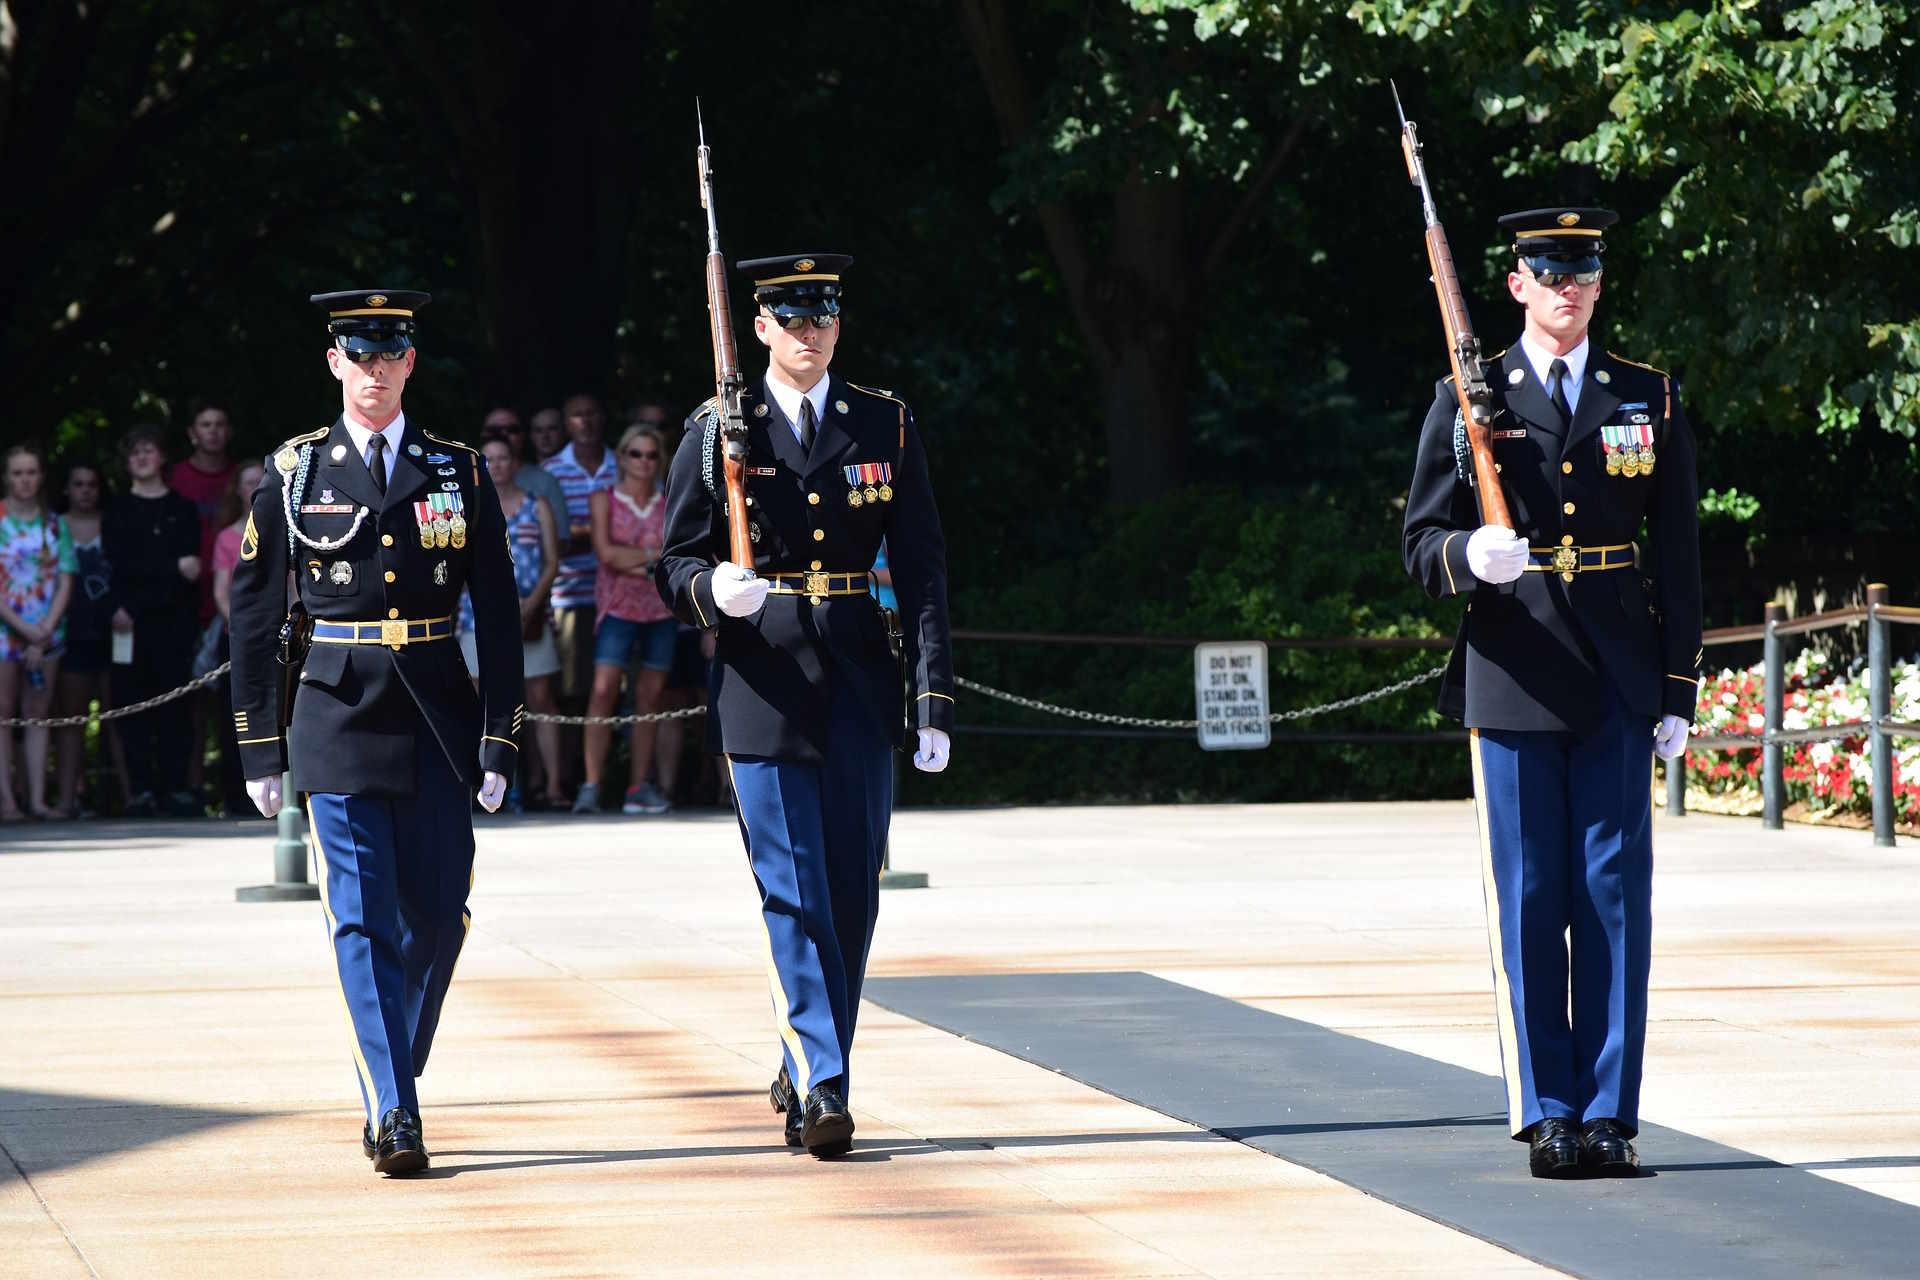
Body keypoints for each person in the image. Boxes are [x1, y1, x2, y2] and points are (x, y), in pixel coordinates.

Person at [1402, 207, 1702, 1180]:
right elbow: (1419, 540)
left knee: (1613, 896)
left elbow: (1679, 554)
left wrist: (1678, 687)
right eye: (1548, 271)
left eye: (1581, 272)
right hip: (1515, 667)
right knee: (1531, 896)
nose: (1566, 288)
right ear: (1517, 284)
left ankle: (1609, 1109)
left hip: (1618, 672)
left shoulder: (1646, 396)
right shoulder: (1470, 394)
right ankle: (1547, 1109)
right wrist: (1467, 555)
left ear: (1599, 284)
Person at [657, 253, 954, 1157]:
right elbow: (673, 561)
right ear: (758, 328)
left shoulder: (884, 423)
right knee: (792, 893)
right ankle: (826, 1082)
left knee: (852, 897)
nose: (809, 333)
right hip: (763, 679)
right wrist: (714, 590)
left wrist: (932, 696)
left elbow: (924, 569)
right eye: (791, 318)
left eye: (822, 315)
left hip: (860, 676)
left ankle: (804, 1056)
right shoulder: (717, 429)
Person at [228, 288, 523, 1176]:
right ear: (335, 363)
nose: (375, 371)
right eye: (360, 355)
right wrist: (259, 745)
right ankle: (393, 1107)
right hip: (337, 713)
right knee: (358, 918)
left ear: (410, 363)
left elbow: (499, 613)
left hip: (436, 712)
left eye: (390, 354)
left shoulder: (457, 472)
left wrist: (500, 736)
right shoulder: (294, 473)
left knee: (438, 912)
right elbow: (252, 617)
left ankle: (392, 1054)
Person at [455, 431, 563, 810]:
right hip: (474, 617)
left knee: (540, 699)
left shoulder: (537, 504)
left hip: (531, 616)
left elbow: (552, 561)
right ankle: (475, 783)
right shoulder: (468, 504)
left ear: (516, 463)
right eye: (489, 459)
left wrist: (530, 604)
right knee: (475, 700)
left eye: (503, 458)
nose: (496, 466)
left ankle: (550, 786)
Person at [102, 426, 202, 818]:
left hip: (174, 625)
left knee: (176, 709)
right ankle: (140, 790)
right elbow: (118, 565)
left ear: (162, 457)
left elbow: (192, 571)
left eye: (149, 450)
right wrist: (169, 568)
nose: (142, 458)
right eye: (134, 452)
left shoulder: (183, 508)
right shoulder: (117, 510)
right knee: (132, 708)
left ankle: (175, 789)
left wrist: (156, 573)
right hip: (128, 624)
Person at [578, 424, 675, 816]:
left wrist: (636, 561)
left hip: (661, 610)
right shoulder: (603, 499)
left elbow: (672, 556)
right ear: (622, 456)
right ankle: (591, 786)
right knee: (602, 692)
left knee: (650, 697)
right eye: (636, 453)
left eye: (651, 454)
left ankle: (638, 786)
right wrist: (652, 558)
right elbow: (606, 554)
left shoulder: (668, 502)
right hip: (616, 608)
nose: (644, 462)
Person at [0, 443, 77, 821]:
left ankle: (37, 799)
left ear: (41, 476)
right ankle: (7, 802)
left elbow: (66, 577)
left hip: (47, 631)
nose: (25, 480)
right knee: (3, 713)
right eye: (17, 473)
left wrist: (43, 629)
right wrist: (25, 629)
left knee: (37, 713)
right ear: (6, 477)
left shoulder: (54, 523)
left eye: (31, 472)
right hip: (5, 630)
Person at [169, 402, 239, 805]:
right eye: (205, 424)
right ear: (192, 433)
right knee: (191, 702)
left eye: (219, 424)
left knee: (233, 705)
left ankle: (234, 790)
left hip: (233, 610)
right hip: (189, 603)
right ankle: (193, 787)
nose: (212, 431)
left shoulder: (241, 476)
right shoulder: (177, 478)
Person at [52, 461, 131, 818]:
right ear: (67, 489)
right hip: (70, 632)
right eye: (78, 484)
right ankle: (68, 800)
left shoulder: (114, 524)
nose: (85, 491)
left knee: (120, 715)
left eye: (92, 484)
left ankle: (130, 799)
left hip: (114, 631)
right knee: (70, 719)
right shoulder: (53, 526)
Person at [210, 458, 267, 815]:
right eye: (248, 482)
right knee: (236, 720)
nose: (254, 487)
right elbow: (221, 592)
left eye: (260, 480)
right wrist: (244, 631)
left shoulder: (284, 530)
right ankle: (235, 798)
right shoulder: (227, 537)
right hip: (239, 638)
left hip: (279, 638)